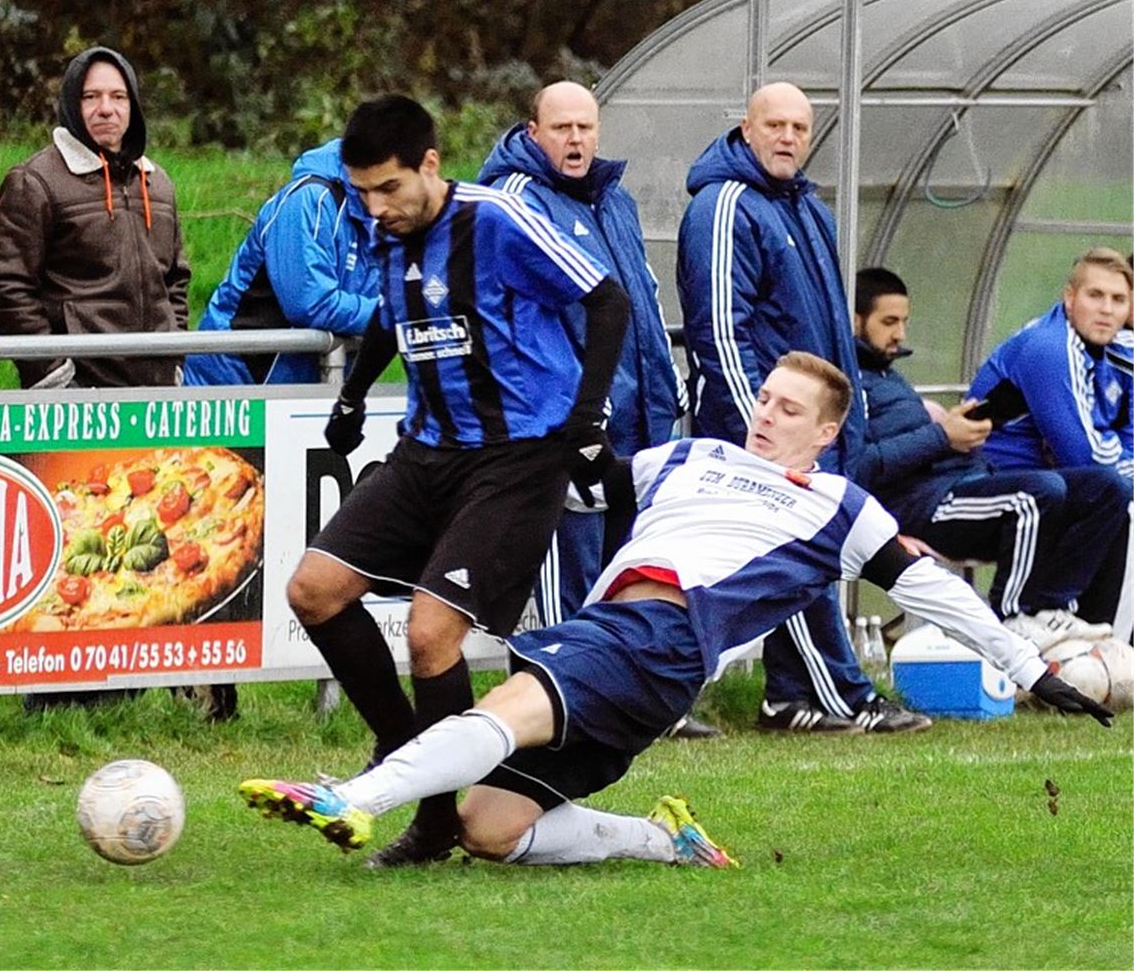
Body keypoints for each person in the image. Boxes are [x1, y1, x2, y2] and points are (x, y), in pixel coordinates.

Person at [239, 353, 1112, 869]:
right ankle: (664, 841)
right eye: (765, 399)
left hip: (660, 634)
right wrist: (558, 453)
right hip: (636, 656)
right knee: (491, 829)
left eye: (789, 410)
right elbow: (586, 492)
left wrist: (1033, 667)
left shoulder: (843, 505)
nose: (767, 415)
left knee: (501, 710)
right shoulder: (689, 456)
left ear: (825, 434)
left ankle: (347, 797)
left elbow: (935, 590)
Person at [284, 95, 629, 868]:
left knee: (432, 634)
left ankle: (436, 823)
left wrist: (583, 421)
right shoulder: (387, 229)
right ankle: (406, 746)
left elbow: (607, 301)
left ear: (430, 166)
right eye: (362, 191)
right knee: (313, 590)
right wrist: (349, 397)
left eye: (389, 189)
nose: (375, 208)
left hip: (514, 458)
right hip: (426, 452)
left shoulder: (498, 220)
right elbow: (386, 316)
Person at [676, 82, 923, 733]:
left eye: (800, 128)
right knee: (792, 556)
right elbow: (720, 330)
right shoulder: (724, 205)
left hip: (812, 431)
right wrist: (763, 433)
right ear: (746, 130)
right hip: (760, 434)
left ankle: (795, 694)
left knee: (803, 556)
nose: (787, 137)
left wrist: (847, 422)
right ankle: (827, 694)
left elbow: (835, 334)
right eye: (775, 125)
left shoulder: (807, 209)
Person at [477, 81, 712, 738]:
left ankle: (638, 706)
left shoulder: (617, 199)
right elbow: (516, 321)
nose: (575, 140)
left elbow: (640, 293)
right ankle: (559, 709)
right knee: (567, 578)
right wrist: (565, 411)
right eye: (562, 128)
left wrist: (667, 382)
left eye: (585, 127)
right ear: (532, 131)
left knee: (632, 576)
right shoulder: (514, 202)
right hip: (570, 425)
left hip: (641, 420)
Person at [854, 267, 1124, 649]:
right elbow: (858, 466)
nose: (901, 334)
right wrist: (940, 435)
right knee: (1034, 492)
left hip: (965, 481)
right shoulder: (847, 384)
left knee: (1108, 488)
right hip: (923, 506)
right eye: (889, 322)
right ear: (855, 320)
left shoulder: (889, 377)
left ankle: (1058, 611)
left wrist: (956, 434)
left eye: (904, 321)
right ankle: (1012, 621)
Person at [0, 45, 190, 389]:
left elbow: (175, 282)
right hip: (76, 401)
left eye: (118, 96)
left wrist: (174, 361)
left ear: (133, 106)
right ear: (72, 102)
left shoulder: (158, 184)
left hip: (157, 395)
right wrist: (52, 375)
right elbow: (8, 286)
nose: (106, 109)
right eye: (91, 97)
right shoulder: (34, 182)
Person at [969, 249, 1132, 638]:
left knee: (1113, 491)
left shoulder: (1112, 349)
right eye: (1095, 296)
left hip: (1050, 484)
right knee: (1115, 494)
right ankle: (1075, 623)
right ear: (1069, 298)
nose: (1106, 309)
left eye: (1118, 300)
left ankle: (1093, 633)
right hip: (990, 483)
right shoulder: (1050, 347)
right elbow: (1088, 456)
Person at [182, 139, 379, 386]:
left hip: (309, 384)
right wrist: (397, 314)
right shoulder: (311, 199)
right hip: (236, 383)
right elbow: (311, 303)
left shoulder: (392, 216)